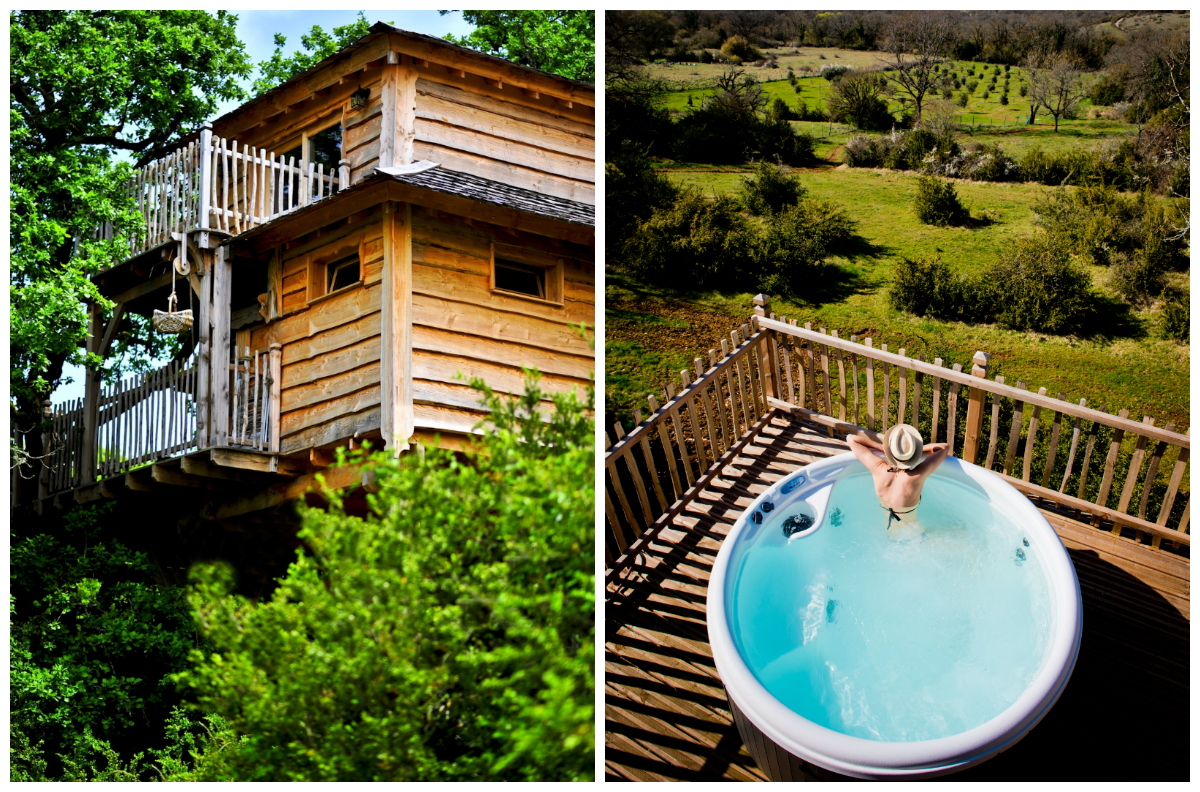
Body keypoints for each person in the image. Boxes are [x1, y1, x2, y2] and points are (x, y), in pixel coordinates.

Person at [846, 424, 949, 539]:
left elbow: (851, 438)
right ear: (914, 455)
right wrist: (916, 451)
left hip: (889, 531)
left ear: (889, 451)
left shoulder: (878, 469)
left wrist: (881, 447)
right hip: (913, 533)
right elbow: (943, 447)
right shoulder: (916, 476)